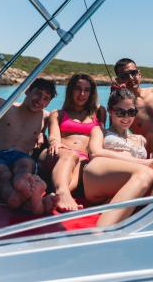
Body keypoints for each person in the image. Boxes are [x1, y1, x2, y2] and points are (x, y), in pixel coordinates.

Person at [84, 86, 153, 226]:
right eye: (120, 112)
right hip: (98, 174)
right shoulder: (100, 131)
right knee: (148, 171)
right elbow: (95, 153)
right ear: (110, 111)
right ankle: (152, 223)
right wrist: (143, 163)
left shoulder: (140, 139)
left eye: (131, 112)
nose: (126, 117)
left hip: (131, 180)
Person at [0, 78, 58, 214]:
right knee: (2, 173)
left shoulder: (45, 117)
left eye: (46, 98)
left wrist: (45, 139)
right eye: (37, 93)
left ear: (48, 103)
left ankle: (22, 194)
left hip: (21, 157)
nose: (40, 100)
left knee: (25, 164)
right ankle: (19, 198)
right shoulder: (1, 105)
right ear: (27, 91)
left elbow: (53, 136)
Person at [38, 74, 106, 212]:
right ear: (71, 91)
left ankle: (55, 196)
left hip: (83, 159)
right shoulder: (58, 114)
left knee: (83, 164)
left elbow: (103, 135)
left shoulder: (98, 112)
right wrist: (55, 142)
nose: (82, 94)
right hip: (57, 154)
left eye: (87, 90)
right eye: (78, 89)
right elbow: (53, 136)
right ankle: (62, 193)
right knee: (70, 155)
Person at [114, 58, 153, 154]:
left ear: (139, 73)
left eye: (133, 73)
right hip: (148, 155)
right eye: (124, 76)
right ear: (118, 80)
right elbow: (115, 130)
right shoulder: (123, 106)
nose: (131, 78)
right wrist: (115, 96)